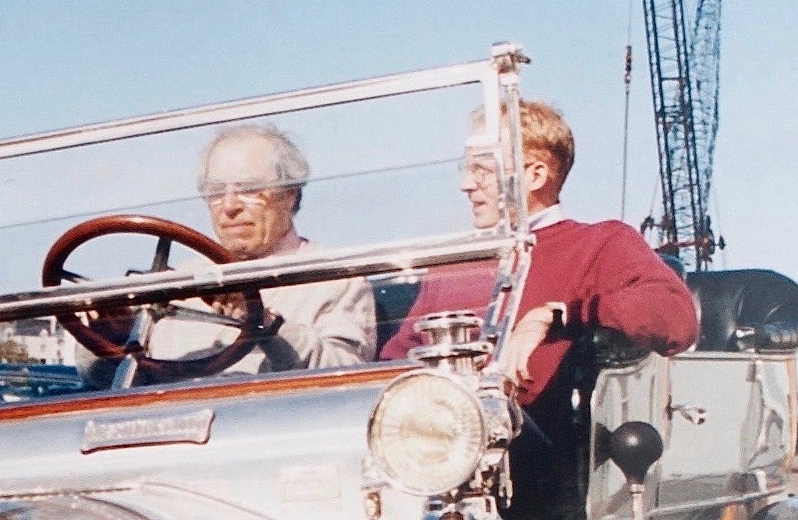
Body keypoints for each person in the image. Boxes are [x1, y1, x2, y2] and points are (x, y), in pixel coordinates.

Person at [380, 101, 697, 404]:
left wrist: (558, 315)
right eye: (466, 168)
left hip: (542, 447)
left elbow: (677, 317)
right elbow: (393, 367)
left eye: (482, 170)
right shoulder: (454, 264)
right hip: (438, 443)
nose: (466, 184)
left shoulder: (602, 244)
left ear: (534, 176)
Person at [143, 124, 376, 373]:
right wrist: (111, 332)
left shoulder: (335, 279)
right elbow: (129, 377)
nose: (230, 206)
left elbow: (347, 375)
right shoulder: (182, 281)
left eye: (249, 190)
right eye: (216, 192)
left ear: (290, 195)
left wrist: (266, 324)